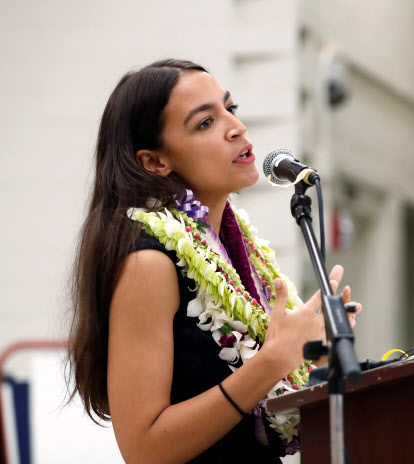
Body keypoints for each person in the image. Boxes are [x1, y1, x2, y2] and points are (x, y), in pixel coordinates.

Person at [68, 59, 361, 464]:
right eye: (205, 123)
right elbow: (144, 449)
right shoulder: (148, 260)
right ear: (155, 162)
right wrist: (273, 361)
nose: (236, 127)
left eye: (230, 108)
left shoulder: (237, 245)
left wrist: (315, 354)